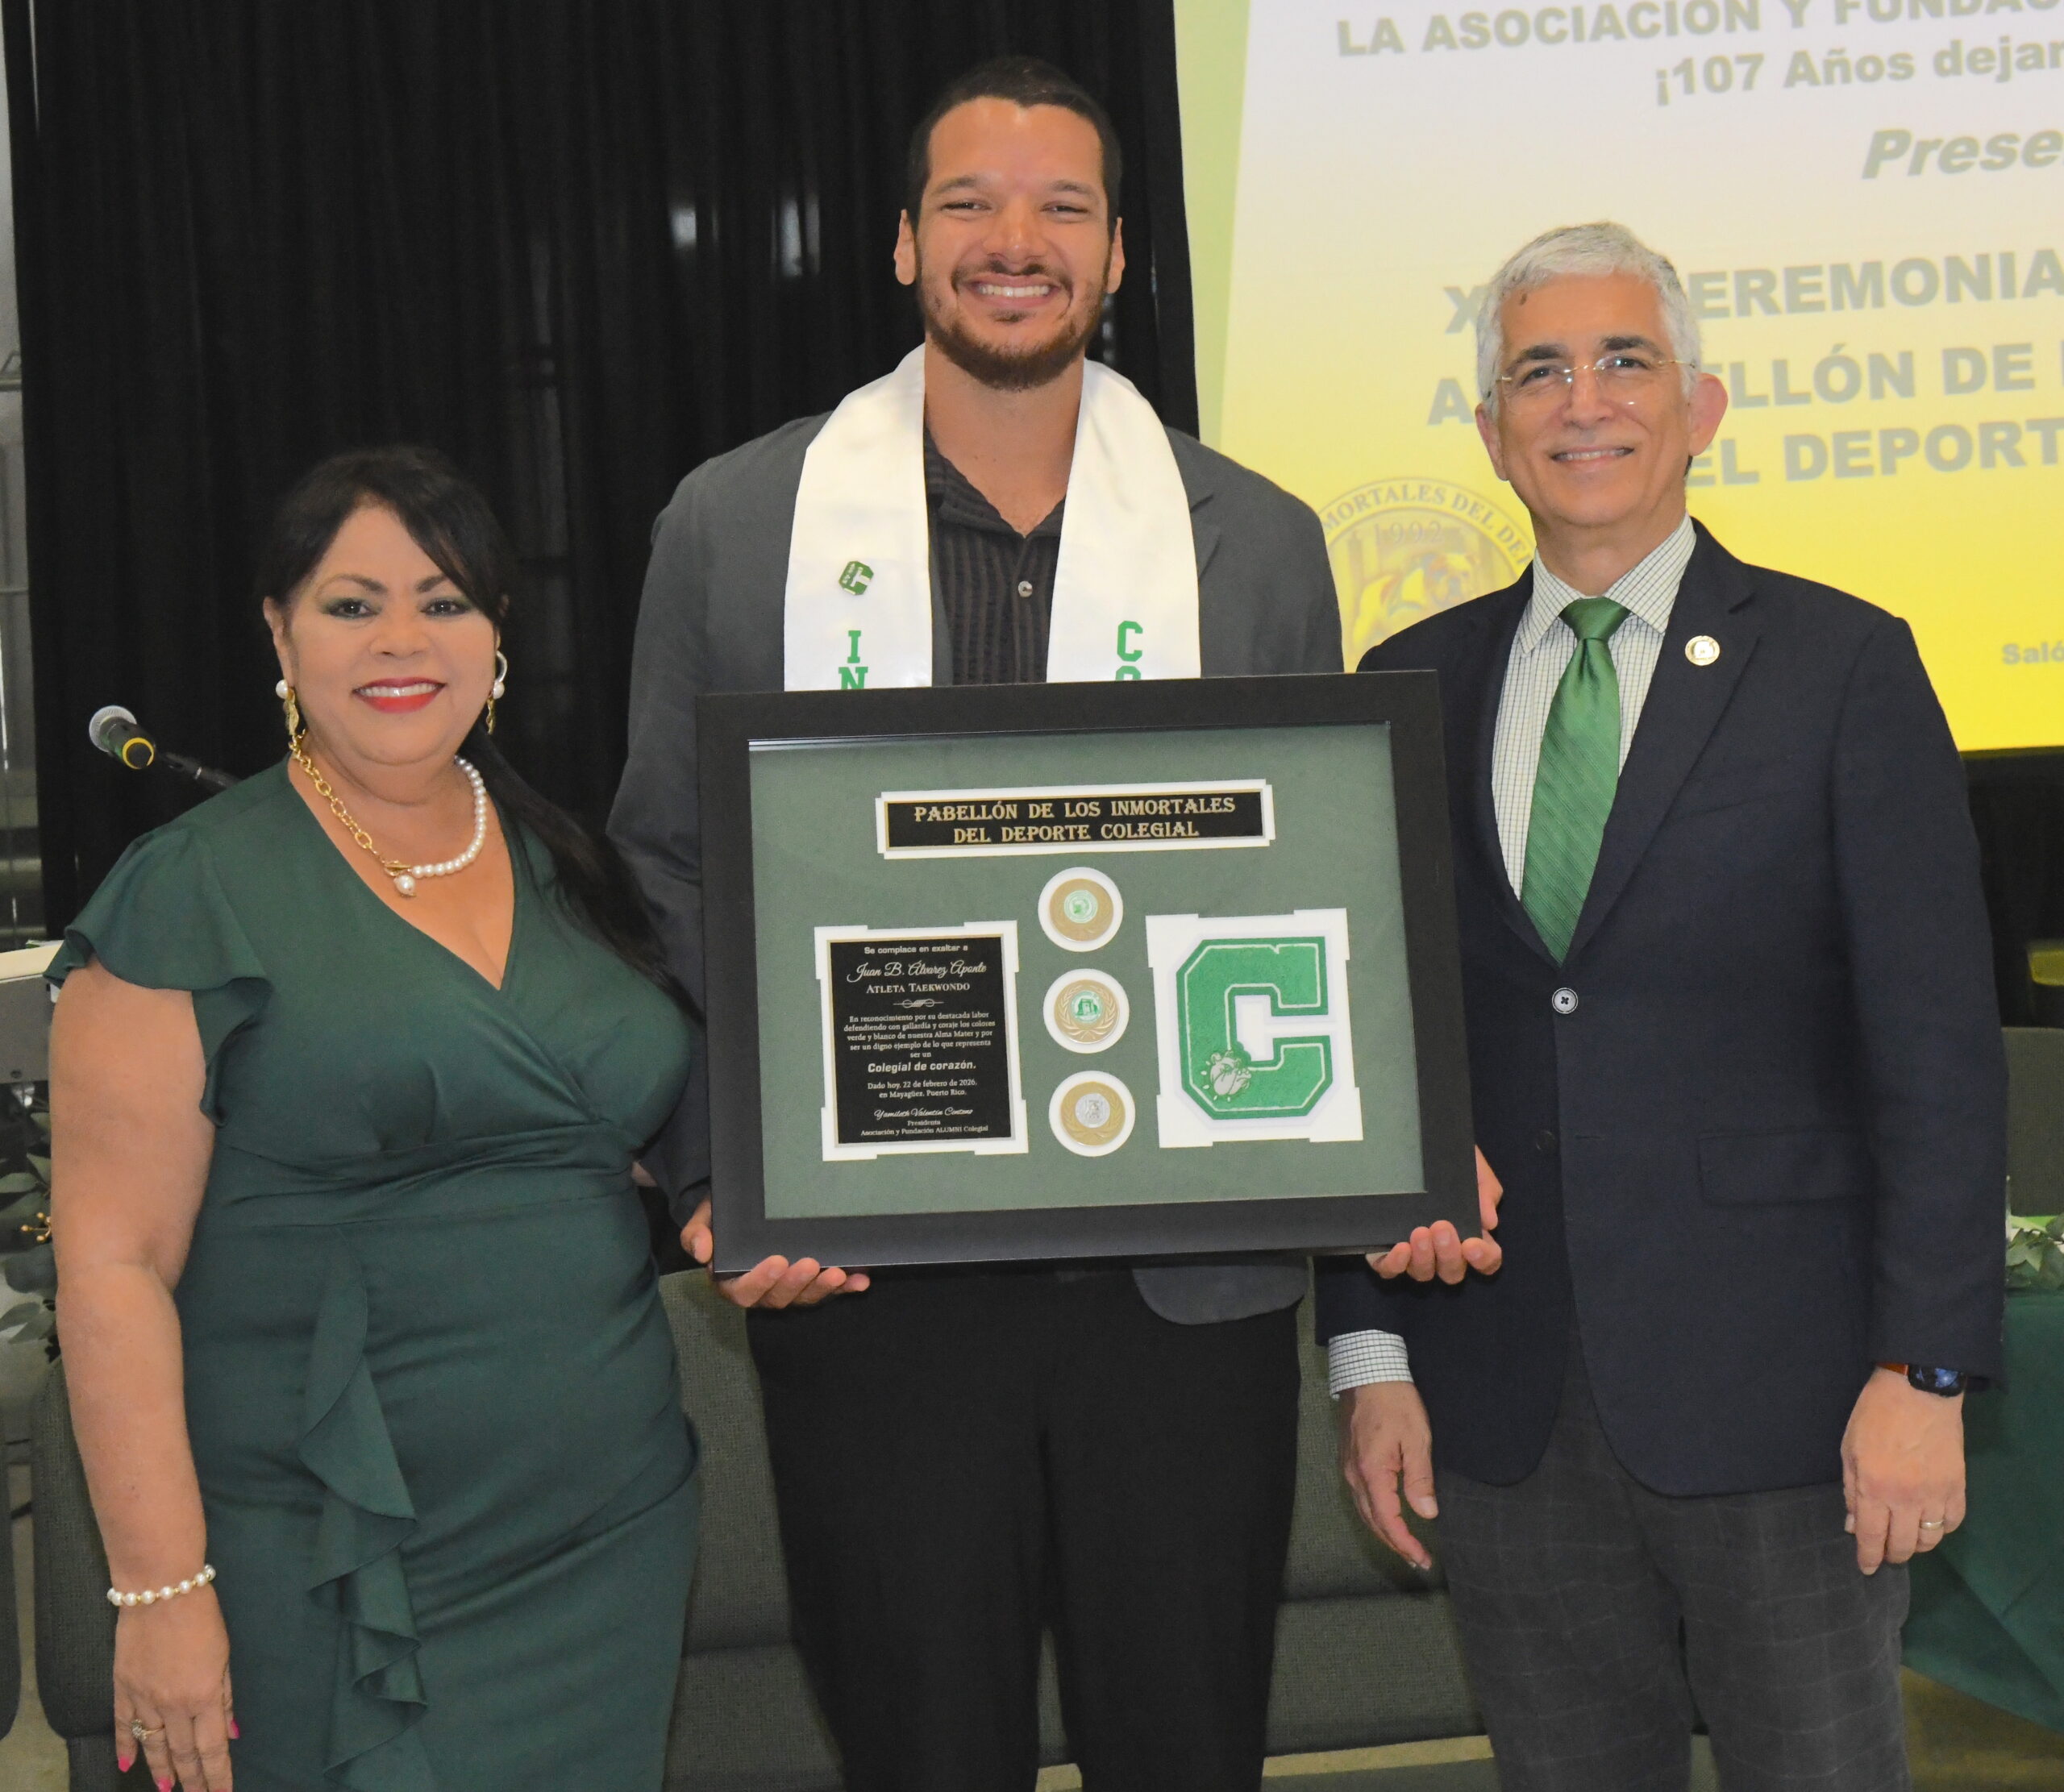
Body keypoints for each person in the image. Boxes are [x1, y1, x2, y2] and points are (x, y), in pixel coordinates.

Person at [609, 55, 1484, 1792]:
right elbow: (664, 865)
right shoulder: (738, 523)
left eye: (1061, 208)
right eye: (969, 203)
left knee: (1186, 1747)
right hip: (870, 1279)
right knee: (920, 1750)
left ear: (1117, 255)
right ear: (901, 243)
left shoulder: (1256, 541)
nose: (1014, 241)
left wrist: (1398, 1121)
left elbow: (1311, 883)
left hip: (1181, 1293)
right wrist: (721, 1170)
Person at [1317, 222, 2007, 1792]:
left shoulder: (1841, 665)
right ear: (1489, 430)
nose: (1583, 401)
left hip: (1792, 1410)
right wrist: (1367, 1356)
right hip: (1501, 1404)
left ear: (1697, 407)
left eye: (1623, 360)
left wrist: (1926, 1370)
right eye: (1538, 372)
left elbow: (1936, 1056)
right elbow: (1361, 1037)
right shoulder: (1403, 684)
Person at [49, 447, 698, 1792]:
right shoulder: (188, 889)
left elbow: (625, 1138)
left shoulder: (571, 861)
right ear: (280, 634)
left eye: (444, 601)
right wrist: (160, 1592)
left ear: (498, 636)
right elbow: (110, 1268)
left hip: (605, 1536)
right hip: (322, 1562)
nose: (403, 639)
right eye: (352, 605)